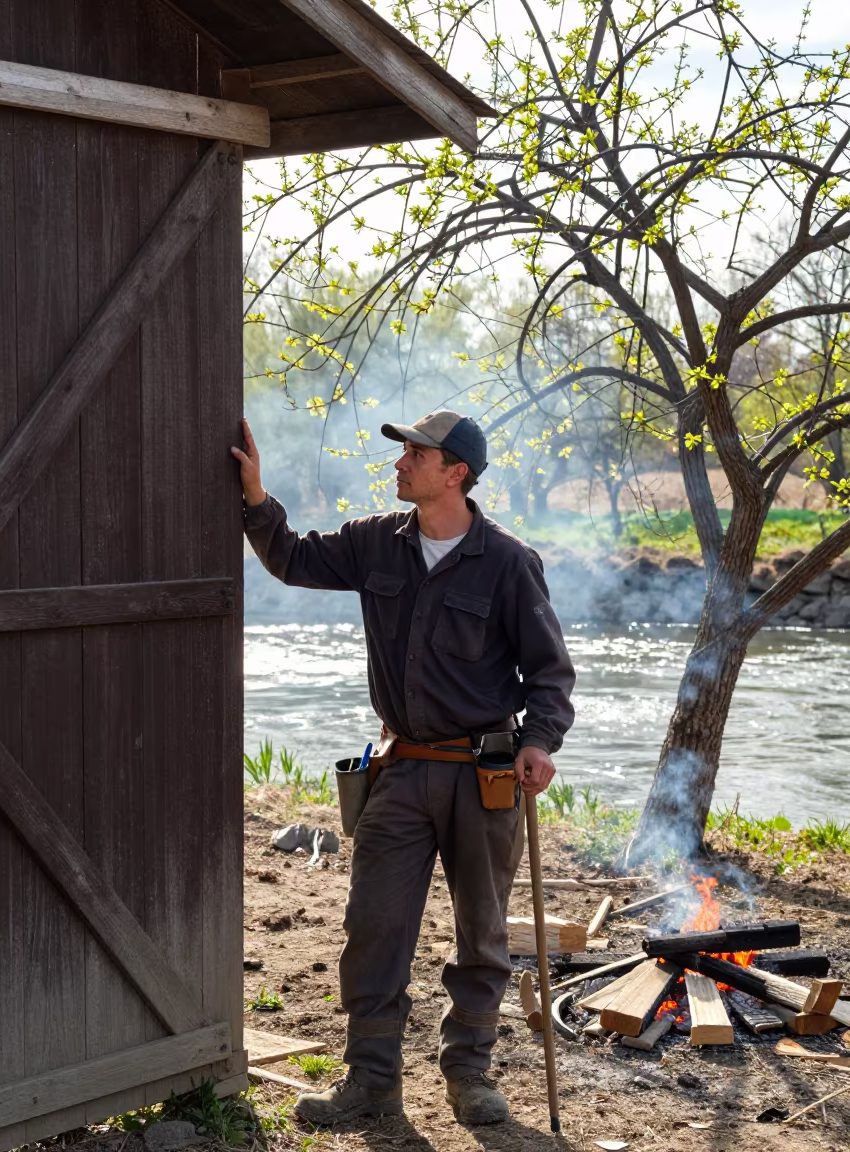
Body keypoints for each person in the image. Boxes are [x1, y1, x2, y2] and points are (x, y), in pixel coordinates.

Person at [232, 410, 575, 1127]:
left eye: (416, 453)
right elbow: (291, 559)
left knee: (481, 933)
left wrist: (539, 741)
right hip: (399, 771)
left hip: (483, 776)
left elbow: (549, 674)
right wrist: (257, 500)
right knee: (374, 926)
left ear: (456, 472)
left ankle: (468, 1075)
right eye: (403, 453)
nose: (400, 463)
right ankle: (371, 1082)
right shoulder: (372, 544)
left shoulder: (509, 562)